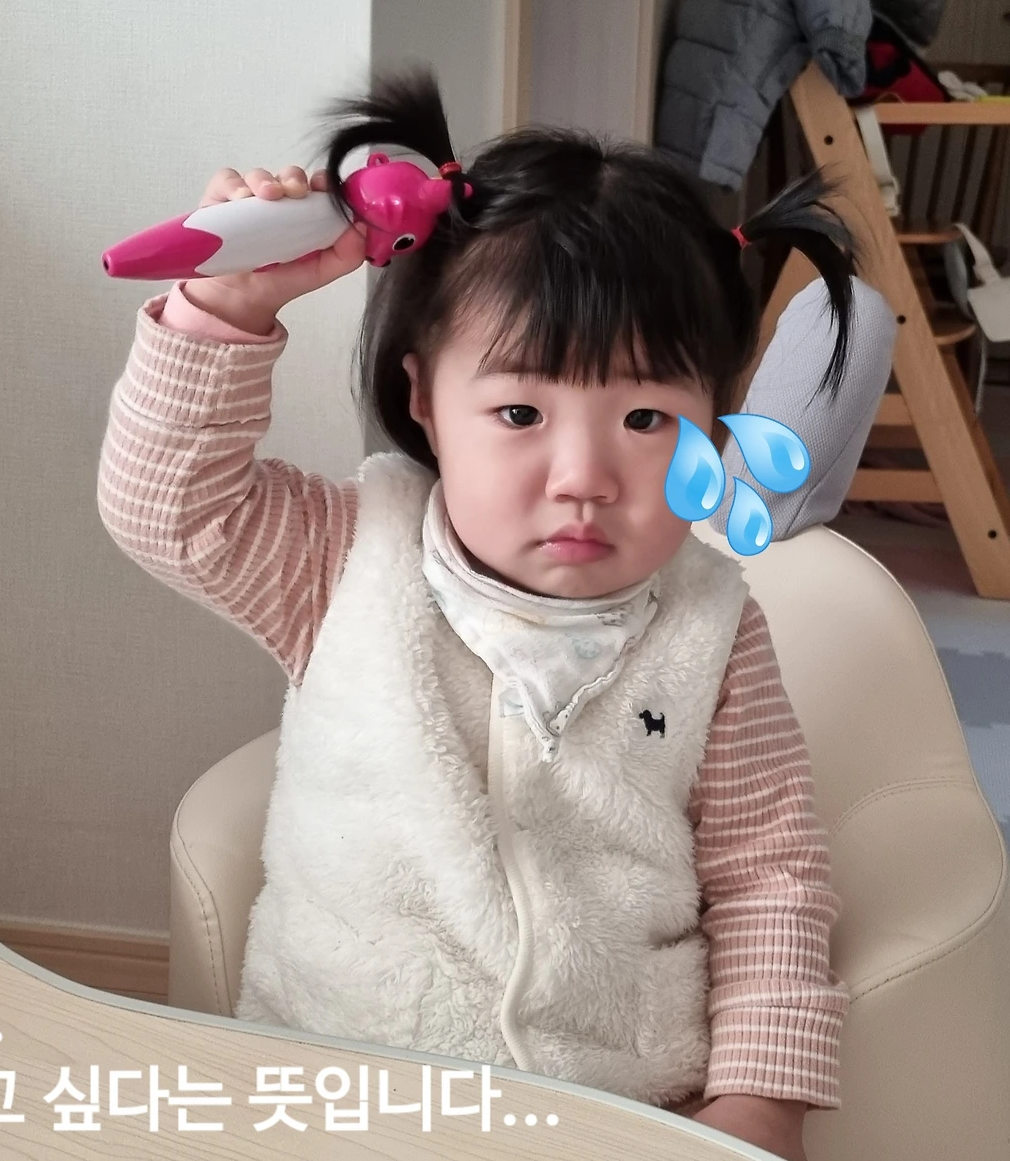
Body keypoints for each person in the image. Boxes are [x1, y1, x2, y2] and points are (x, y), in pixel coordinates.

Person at [98, 70, 859, 1161]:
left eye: (646, 418)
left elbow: (766, 876)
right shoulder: (341, 557)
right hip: (333, 1083)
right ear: (423, 399)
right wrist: (221, 311)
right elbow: (167, 512)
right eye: (517, 411)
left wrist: (761, 1098)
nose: (582, 476)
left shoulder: (715, 630)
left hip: (615, 1107)